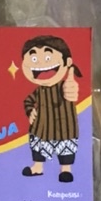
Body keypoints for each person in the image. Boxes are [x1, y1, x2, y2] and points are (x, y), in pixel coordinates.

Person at [20, 35, 82, 183]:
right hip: (41, 128)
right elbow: (28, 100)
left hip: (64, 129)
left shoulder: (65, 85)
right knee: (38, 146)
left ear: (67, 62)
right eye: (34, 59)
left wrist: (72, 89)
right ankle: (38, 167)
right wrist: (30, 111)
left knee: (66, 148)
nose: (40, 63)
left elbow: (71, 90)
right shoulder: (39, 90)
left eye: (47, 57)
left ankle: (65, 170)